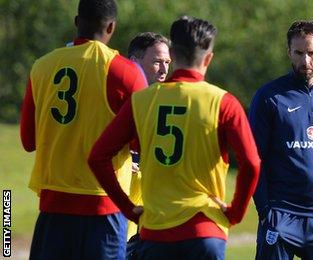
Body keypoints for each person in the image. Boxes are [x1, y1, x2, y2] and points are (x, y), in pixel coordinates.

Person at [88, 16, 261, 259]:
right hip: (205, 233)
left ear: (172, 54)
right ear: (208, 58)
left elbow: (97, 157)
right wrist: (235, 213)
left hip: (156, 233)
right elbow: (252, 163)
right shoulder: (224, 102)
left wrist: (127, 208)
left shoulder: (142, 100)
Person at [19, 0, 147, 259]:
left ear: (77, 23)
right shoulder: (125, 72)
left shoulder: (42, 66)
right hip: (104, 207)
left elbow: (28, 140)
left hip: (54, 206)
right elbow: (142, 143)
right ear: (111, 27)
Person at [249, 20, 313, 260]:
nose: (305, 61)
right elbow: (253, 158)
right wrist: (265, 210)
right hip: (282, 214)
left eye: (312, 53)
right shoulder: (269, 97)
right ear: (289, 52)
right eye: (299, 53)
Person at [125, 31, 171, 240]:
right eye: (157, 62)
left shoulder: (167, 103)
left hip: (153, 212)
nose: (164, 69)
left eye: (167, 62)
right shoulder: (119, 100)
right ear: (134, 61)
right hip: (120, 207)